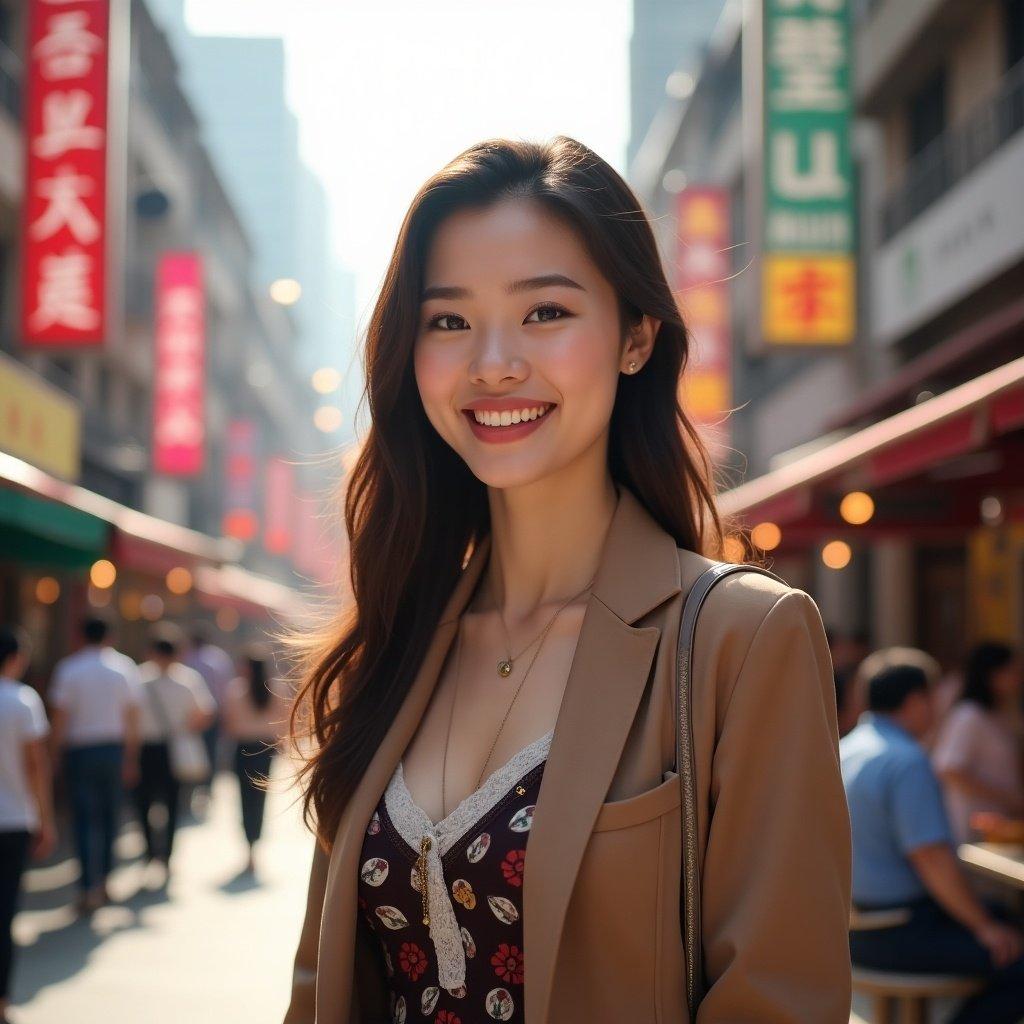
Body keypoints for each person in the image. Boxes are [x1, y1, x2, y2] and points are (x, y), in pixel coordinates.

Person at [283, 137, 851, 1024]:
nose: (494, 363)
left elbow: (778, 999)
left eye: (545, 312)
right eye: (448, 320)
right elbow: (322, 986)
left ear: (635, 337)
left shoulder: (741, 637)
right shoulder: (394, 637)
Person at [842, 648, 1024, 1022]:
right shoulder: (906, 759)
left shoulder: (847, 748)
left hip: (852, 930)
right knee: (1014, 952)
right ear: (915, 700)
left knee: (1004, 916)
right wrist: (984, 929)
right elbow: (930, 858)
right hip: (899, 931)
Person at [48, 616, 140, 913]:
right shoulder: (123, 668)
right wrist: (131, 757)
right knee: (110, 817)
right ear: (109, 636)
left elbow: (59, 718)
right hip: (112, 750)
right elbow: (132, 718)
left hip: (80, 752)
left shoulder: (69, 668)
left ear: (81, 636)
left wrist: (54, 756)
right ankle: (104, 881)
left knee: (84, 820)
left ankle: (88, 886)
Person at [0, 628, 55, 1024]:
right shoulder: (22, 700)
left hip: (15, 819)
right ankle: (1, 1000)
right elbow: (36, 766)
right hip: (14, 819)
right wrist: (46, 819)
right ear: (15, 658)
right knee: (4, 915)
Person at [134, 624, 215, 882]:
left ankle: (150, 852)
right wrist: (185, 729)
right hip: (174, 747)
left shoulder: (139, 678)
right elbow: (206, 712)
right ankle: (166, 856)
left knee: (144, 802)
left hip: (147, 748)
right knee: (171, 803)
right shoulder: (187, 678)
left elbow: (129, 719)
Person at [932, 642, 1024, 845]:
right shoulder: (968, 716)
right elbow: (950, 769)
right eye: (1013, 672)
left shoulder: (1001, 714)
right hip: (973, 830)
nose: (1019, 679)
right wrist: (1007, 798)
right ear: (992, 674)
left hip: (1002, 828)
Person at [222, 643, 289, 874]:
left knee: (244, 798)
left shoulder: (235, 690)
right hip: (265, 749)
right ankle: (255, 846)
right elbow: (284, 722)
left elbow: (229, 725)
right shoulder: (276, 689)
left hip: (243, 748)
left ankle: (248, 846)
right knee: (260, 799)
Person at [181, 623, 235, 806]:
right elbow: (225, 688)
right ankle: (207, 786)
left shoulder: (187, 659)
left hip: (191, 714)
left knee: (193, 749)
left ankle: (192, 786)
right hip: (214, 712)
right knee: (211, 750)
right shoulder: (219, 658)